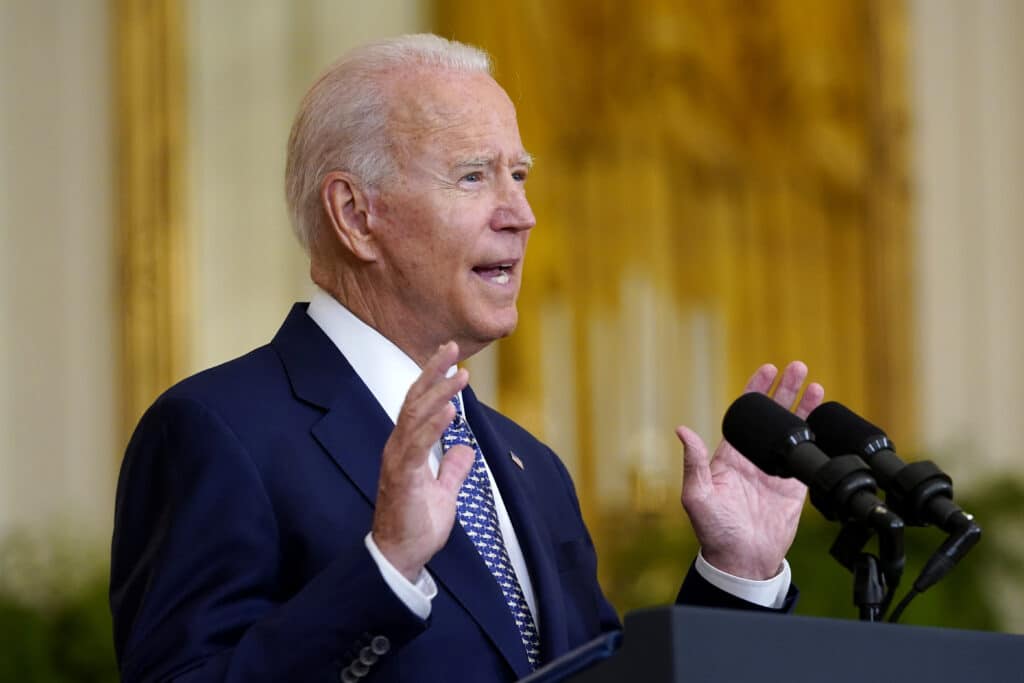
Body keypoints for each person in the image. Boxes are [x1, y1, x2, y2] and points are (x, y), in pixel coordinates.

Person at [109, 34, 823, 682]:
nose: (521, 212)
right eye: (475, 177)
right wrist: (383, 568)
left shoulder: (530, 466)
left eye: (521, 174)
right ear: (356, 216)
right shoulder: (217, 431)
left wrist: (737, 579)